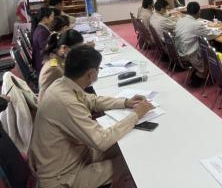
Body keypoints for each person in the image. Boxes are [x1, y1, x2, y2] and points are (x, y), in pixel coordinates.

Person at [29, 45, 154, 188]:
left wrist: (126, 102)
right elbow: (101, 140)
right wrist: (136, 115)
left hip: (72, 157)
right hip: (63, 177)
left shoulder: (62, 84)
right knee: (131, 160)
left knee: (128, 146)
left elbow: (92, 100)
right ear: (92, 73)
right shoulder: (66, 102)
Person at [174, 2, 222, 87]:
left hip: (179, 51)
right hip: (189, 54)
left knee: (206, 45)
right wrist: (221, 30)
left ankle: (196, 74)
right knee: (210, 52)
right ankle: (198, 77)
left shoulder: (180, 20)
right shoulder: (196, 24)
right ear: (198, 11)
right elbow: (210, 35)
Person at [38, 29, 84, 101]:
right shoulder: (53, 69)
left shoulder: (55, 57)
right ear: (64, 48)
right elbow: (47, 98)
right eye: (78, 50)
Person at [32, 7, 55, 74]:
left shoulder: (41, 29)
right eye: (52, 17)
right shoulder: (42, 32)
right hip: (44, 66)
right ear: (45, 19)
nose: (53, 19)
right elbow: (48, 52)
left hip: (44, 61)